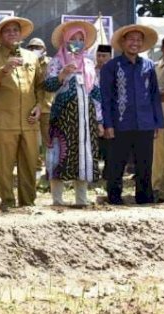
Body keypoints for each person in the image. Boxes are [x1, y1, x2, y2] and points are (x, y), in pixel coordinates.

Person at [0, 16, 43, 211]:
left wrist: (40, 105)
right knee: (4, 165)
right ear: (1, 35)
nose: (12, 33)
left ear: (21, 33)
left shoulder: (32, 57)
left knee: (30, 163)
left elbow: (40, 85)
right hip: (3, 120)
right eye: (7, 30)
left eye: (16, 30)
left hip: (29, 120)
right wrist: (5, 68)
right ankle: (7, 202)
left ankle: (28, 202)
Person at [101, 24, 164, 205]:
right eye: (131, 39)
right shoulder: (111, 67)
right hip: (120, 123)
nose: (134, 43)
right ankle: (114, 198)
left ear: (142, 44)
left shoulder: (149, 66)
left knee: (144, 164)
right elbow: (106, 97)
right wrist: (108, 124)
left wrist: (157, 123)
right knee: (116, 163)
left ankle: (144, 198)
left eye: (138, 40)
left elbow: (154, 96)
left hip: (145, 123)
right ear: (123, 42)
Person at [43, 21, 102, 206]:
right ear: (65, 40)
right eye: (73, 39)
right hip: (62, 118)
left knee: (84, 154)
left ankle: (81, 200)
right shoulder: (56, 61)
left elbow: (97, 93)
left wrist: (99, 120)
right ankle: (57, 200)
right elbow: (48, 86)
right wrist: (61, 75)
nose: (77, 42)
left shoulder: (89, 63)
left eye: (80, 39)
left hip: (87, 119)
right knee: (60, 154)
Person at [26, 37, 55, 174]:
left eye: (37, 48)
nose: (34, 50)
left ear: (44, 50)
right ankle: (36, 166)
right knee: (31, 139)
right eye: (31, 48)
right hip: (30, 107)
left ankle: (50, 168)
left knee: (47, 139)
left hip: (47, 106)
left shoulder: (51, 63)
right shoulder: (25, 63)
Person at [153, 35, 164, 203]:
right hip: (158, 117)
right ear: (163, 49)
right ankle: (156, 188)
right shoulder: (154, 68)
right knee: (158, 154)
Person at [94, 44, 113, 179]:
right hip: (93, 113)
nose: (101, 59)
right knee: (94, 146)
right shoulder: (90, 71)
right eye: (99, 55)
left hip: (110, 113)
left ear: (110, 57)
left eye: (104, 56)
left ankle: (108, 174)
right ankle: (93, 173)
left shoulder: (115, 71)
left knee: (109, 146)